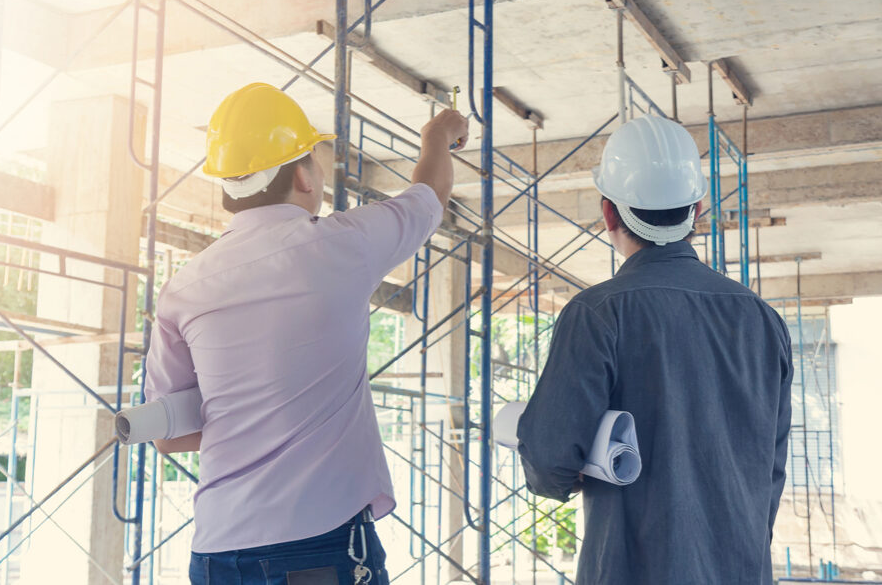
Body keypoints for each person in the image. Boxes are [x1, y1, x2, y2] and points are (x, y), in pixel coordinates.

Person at [144, 82, 468, 585]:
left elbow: (168, 436)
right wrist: (438, 134)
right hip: (316, 547)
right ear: (302, 175)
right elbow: (428, 196)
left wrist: (248, 412)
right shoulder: (343, 245)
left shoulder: (183, 288)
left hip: (215, 553)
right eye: (315, 160)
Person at [517, 115, 793, 585]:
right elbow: (771, 466)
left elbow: (548, 460)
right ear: (698, 209)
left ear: (608, 214)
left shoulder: (599, 313)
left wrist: (567, 475)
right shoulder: (764, 321)